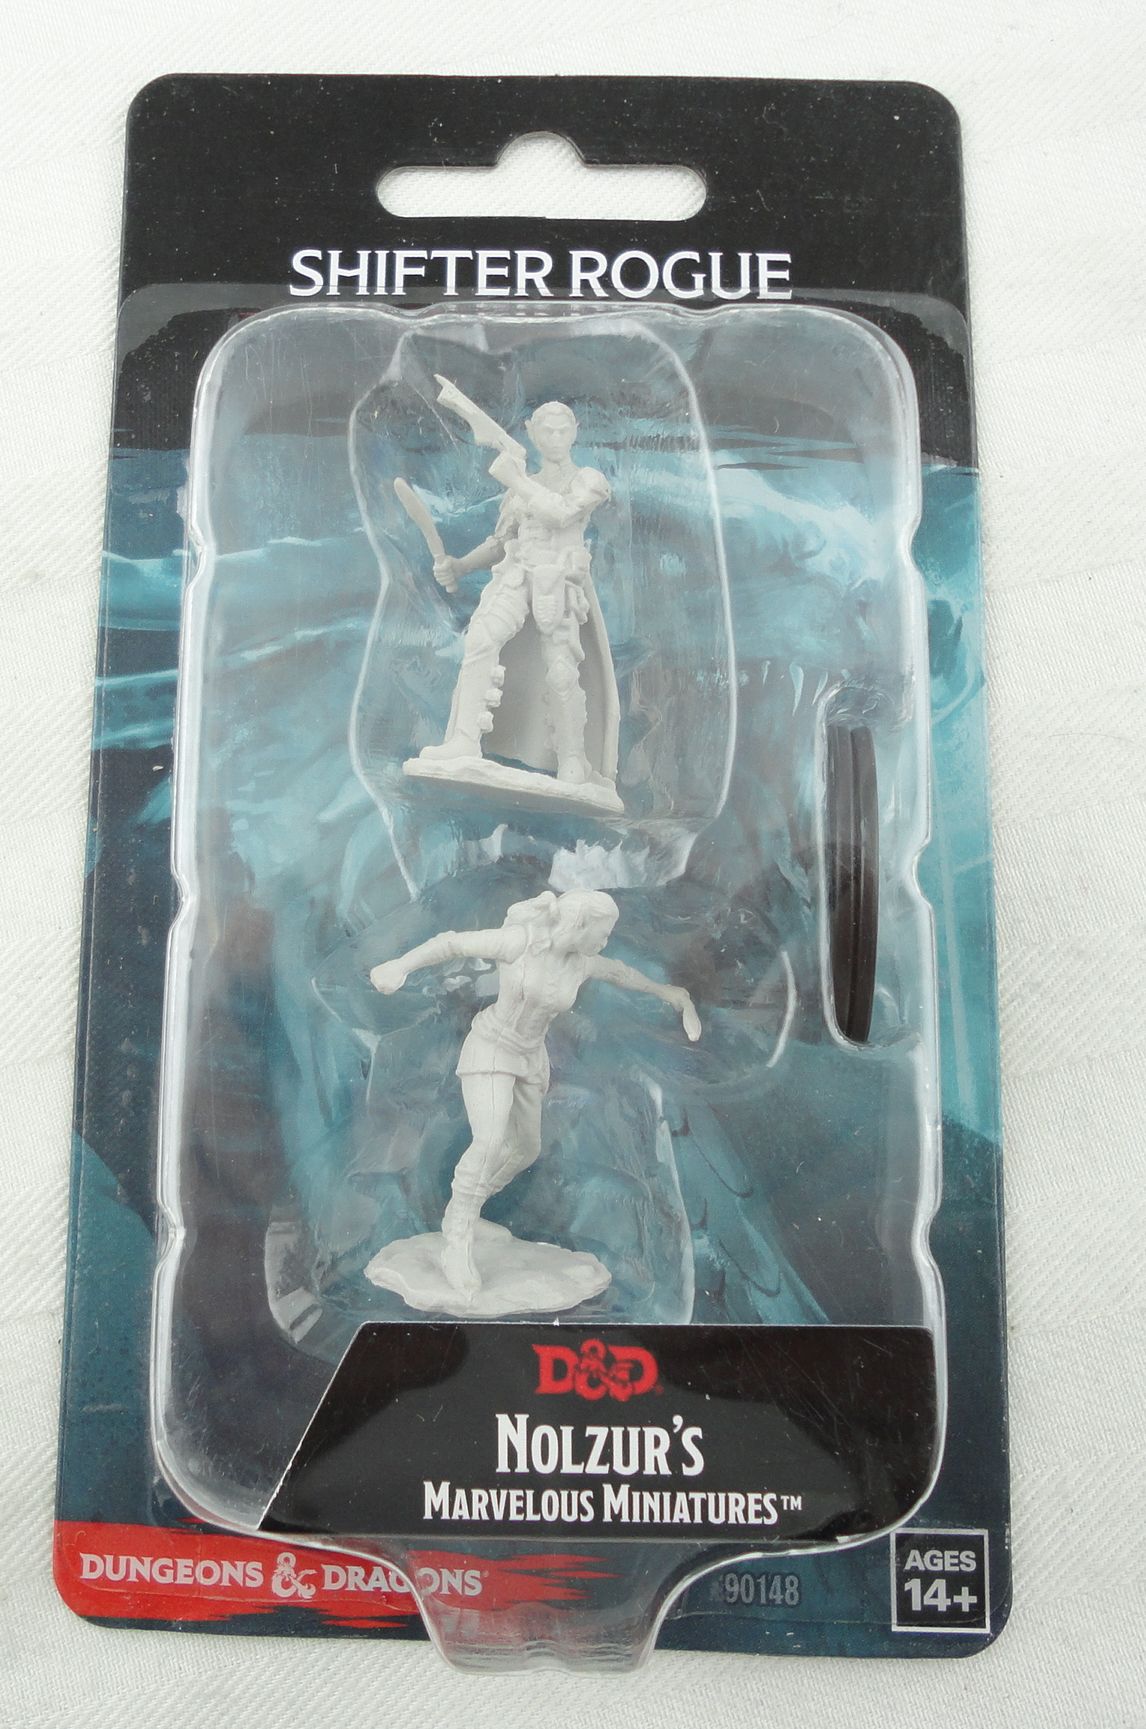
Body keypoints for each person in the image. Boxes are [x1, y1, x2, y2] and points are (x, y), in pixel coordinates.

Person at [370, 889, 700, 1298]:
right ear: (579, 924)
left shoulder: (580, 963)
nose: (605, 940)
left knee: (525, 1149)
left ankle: (467, 1210)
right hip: (492, 1047)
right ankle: (457, 1235)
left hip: (530, 1056)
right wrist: (399, 966)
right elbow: (452, 943)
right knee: (489, 1141)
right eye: (602, 931)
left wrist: (668, 993)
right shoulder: (519, 942)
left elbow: (620, 973)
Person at [416, 401, 614, 787]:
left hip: (558, 581)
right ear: (532, 432)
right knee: (480, 639)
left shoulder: (587, 479)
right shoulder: (521, 487)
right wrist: (461, 565)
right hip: (518, 574)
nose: (555, 438)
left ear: (575, 430)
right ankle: (464, 740)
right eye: (547, 431)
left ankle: (573, 758)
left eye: (562, 430)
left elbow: (562, 513)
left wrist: (516, 479)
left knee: (560, 670)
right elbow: (501, 540)